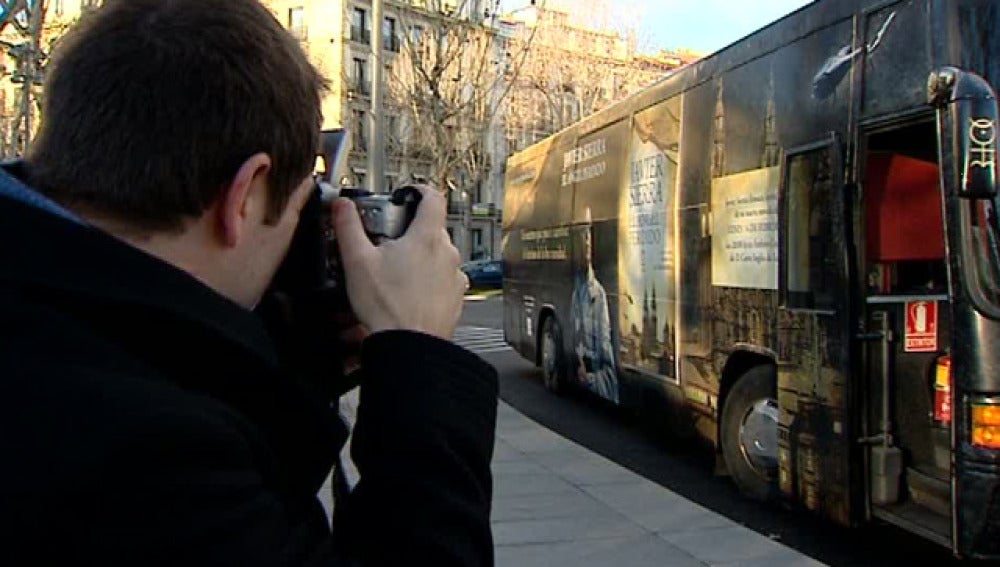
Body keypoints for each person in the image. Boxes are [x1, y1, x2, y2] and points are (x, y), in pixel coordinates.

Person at [0, 1, 497, 566]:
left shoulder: (50, 342)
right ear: (246, 194)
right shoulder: (142, 454)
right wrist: (421, 362)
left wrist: (290, 365)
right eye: (298, 208)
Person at [570, 207, 619, 403]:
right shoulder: (576, 294)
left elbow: (609, 370)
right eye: (582, 234)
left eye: (589, 233)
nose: (587, 241)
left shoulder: (597, 295)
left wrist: (589, 379)